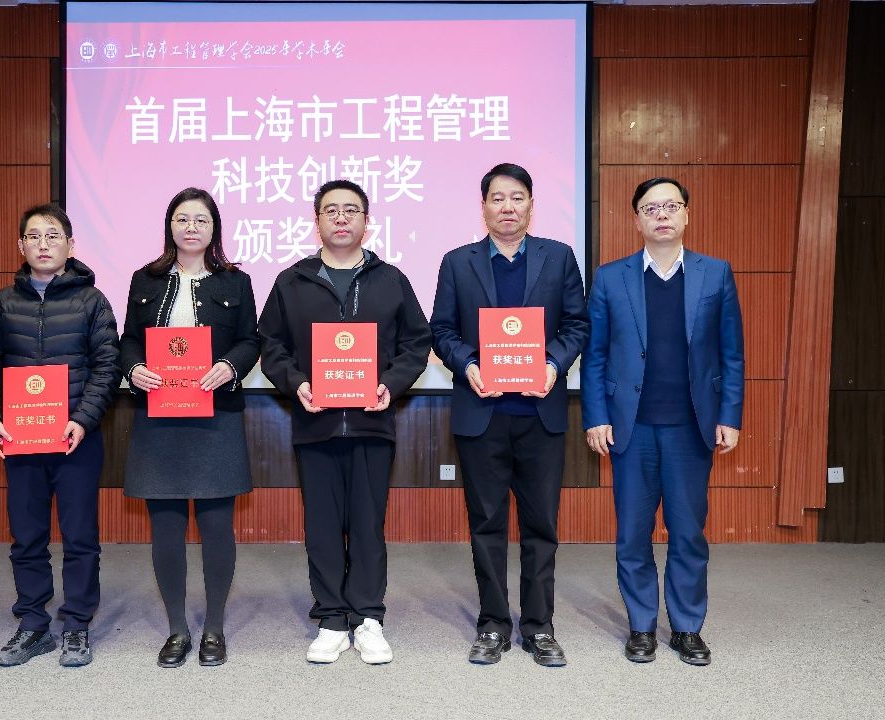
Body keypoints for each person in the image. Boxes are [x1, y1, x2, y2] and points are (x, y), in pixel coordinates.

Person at [259, 179, 430, 665]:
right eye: (330, 210)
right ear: (316, 221)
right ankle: (332, 618)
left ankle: (369, 616)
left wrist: (390, 384)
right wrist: (297, 384)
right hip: (315, 424)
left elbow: (416, 343)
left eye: (350, 210)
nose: (340, 217)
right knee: (322, 525)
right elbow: (271, 346)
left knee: (368, 523)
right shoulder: (292, 281)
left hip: (373, 422)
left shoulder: (391, 280)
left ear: (366, 222)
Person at [580, 177, 744, 666]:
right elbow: (595, 356)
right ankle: (642, 625)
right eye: (651, 208)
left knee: (688, 531)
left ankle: (688, 627)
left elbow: (732, 353)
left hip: (692, 427)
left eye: (671, 206)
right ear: (637, 220)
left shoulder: (716, 274)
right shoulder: (611, 278)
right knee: (633, 533)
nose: (662, 215)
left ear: (687, 214)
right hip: (631, 428)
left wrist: (730, 415)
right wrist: (596, 417)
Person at [430, 163, 588, 666]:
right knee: (486, 524)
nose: (507, 207)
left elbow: (577, 325)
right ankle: (493, 623)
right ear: (483, 207)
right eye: (497, 198)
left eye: (517, 197)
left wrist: (552, 364)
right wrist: (468, 365)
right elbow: (441, 330)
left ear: (531, 205)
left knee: (541, 524)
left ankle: (539, 626)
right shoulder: (458, 262)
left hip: (540, 411)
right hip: (482, 411)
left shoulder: (559, 258)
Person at [0, 203, 120, 667]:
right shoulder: (2, 303)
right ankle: (33, 623)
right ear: (20, 246)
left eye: (52, 235)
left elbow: (107, 367)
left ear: (70, 246)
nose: (43, 244)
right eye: (33, 236)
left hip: (76, 438)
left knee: (80, 537)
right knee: (27, 536)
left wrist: (83, 419)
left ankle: (76, 624)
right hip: (21, 439)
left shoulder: (92, 302)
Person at [120, 187, 259, 668]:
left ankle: (214, 627)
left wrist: (230, 366)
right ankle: (178, 629)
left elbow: (250, 340)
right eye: (182, 219)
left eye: (201, 219)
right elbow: (128, 340)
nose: (191, 227)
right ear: (170, 226)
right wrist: (133, 368)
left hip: (215, 416)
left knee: (217, 525)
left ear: (214, 228)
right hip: (159, 418)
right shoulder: (145, 279)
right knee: (166, 526)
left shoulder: (236, 282)